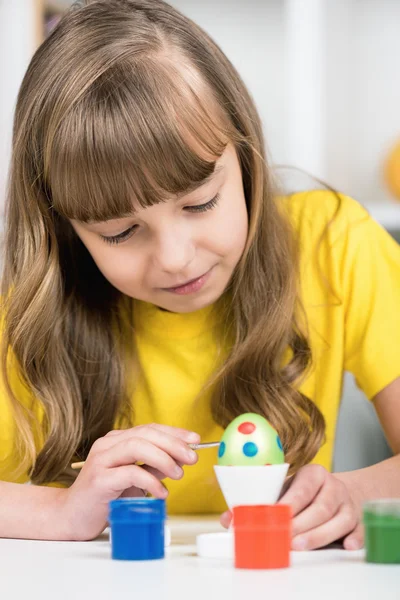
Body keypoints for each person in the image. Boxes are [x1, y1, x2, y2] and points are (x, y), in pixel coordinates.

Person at [1, 0, 400, 548]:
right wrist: (60, 512)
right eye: (120, 232)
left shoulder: (335, 245)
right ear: (64, 228)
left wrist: (361, 491)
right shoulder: (28, 315)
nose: (176, 258)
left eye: (200, 204)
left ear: (245, 155)